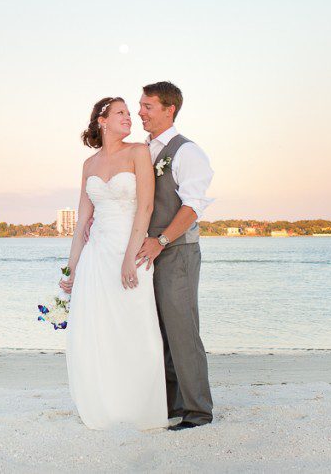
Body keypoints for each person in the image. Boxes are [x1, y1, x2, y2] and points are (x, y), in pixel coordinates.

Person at [59, 96, 168, 430]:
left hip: (131, 252)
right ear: (102, 120)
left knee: (136, 328)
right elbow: (82, 223)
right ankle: (104, 406)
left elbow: (146, 209)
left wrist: (128, 259)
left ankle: (141, 410)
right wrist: (71, 268)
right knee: (99, 332)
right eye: (120, 113)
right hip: (96, 257)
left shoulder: (138, 153)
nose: (129, 117)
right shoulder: (89, 166)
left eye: (128, 113)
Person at [134, 80, 215, 430]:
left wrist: (162, 241)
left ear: (169, 110)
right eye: (140, 105)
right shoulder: (143, 150)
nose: (140, 112)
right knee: (159, 332)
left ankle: (198, 412)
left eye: (147, 106)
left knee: (182, 331)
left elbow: (193, 207)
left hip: (177, 251)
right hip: (149, 253)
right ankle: (172, 404)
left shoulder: (188, 152)